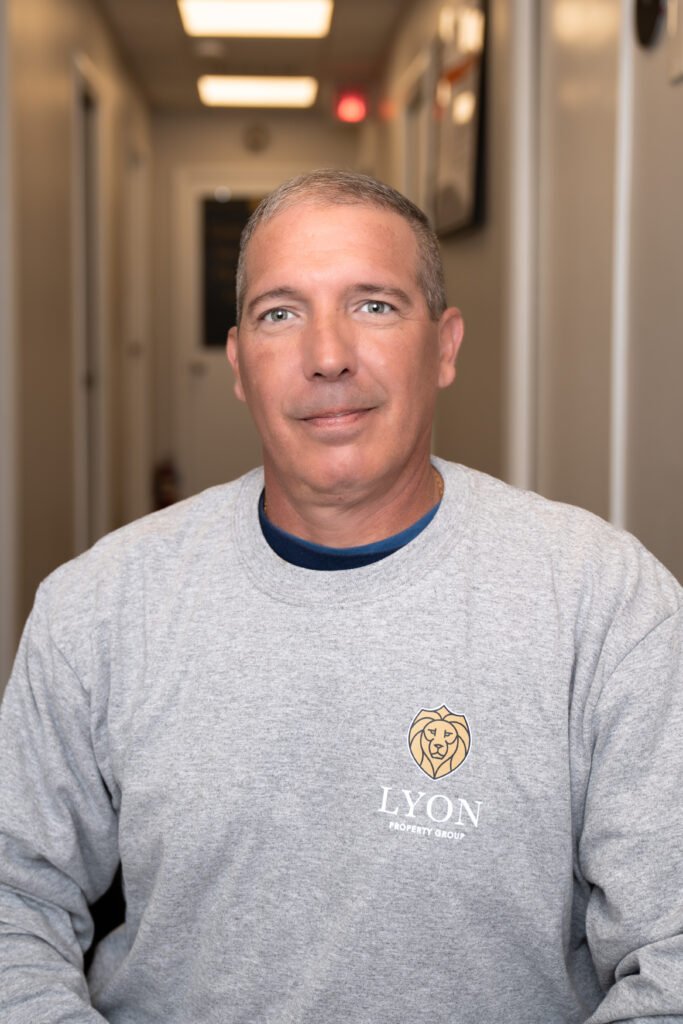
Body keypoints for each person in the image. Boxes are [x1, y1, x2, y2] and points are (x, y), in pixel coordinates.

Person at [1, 169, 682, 1024]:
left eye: (373, 305)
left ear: (444, 346)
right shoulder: (97, 607)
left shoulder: (603, 604)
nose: (327, 356)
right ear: (240, 362)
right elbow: (15, 900)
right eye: (279, 314)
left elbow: (670, 954)